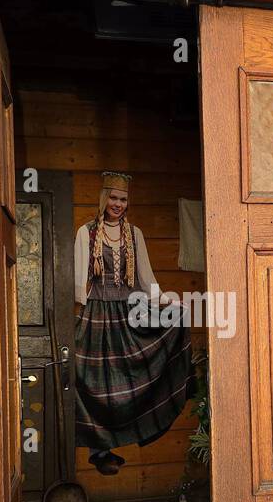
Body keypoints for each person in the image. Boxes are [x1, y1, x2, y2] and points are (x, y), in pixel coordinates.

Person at [73, 171, 192, 475]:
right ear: (104, 198)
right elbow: (78, 287)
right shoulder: (86, 233)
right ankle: (100, 450)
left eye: (123, 199)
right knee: (95, 384)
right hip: (98, 315)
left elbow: (148, 284)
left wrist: (171, 302)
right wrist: (79, 323)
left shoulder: (135, 235)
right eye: (113, 197)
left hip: (131, 313)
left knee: (129, 383)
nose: (118, 204)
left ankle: (141, 427)